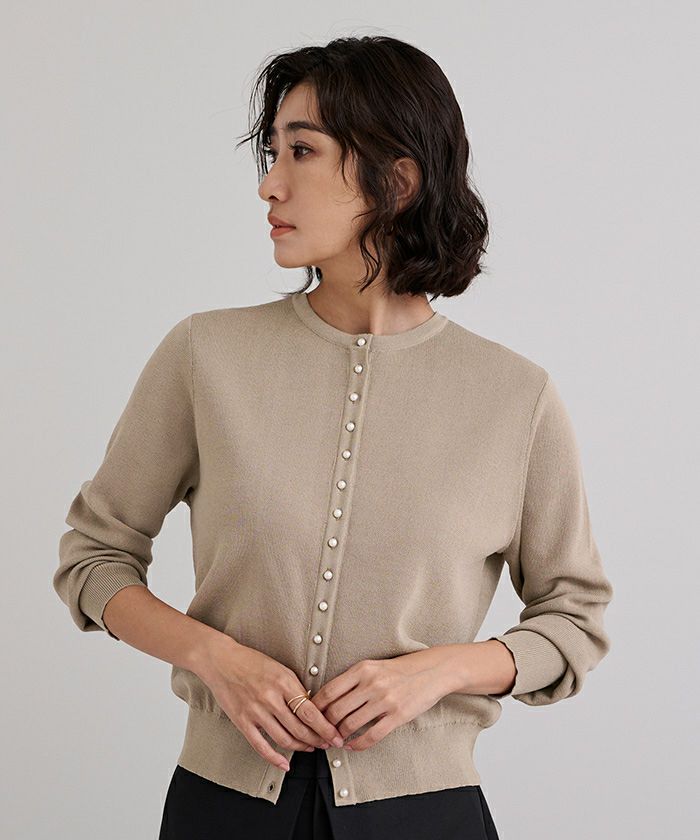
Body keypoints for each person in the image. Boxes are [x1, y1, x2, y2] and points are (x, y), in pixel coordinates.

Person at [53, 35, 613, 840]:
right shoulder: (205, 356)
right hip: (224, 809)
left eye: (303, 151)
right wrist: (214, 658)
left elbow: (575, 616)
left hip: (427, 815)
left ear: (397, 179)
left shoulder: (514, 397)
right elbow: (93, 557)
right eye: (271, 152)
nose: (269, 184)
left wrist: (436, 673)